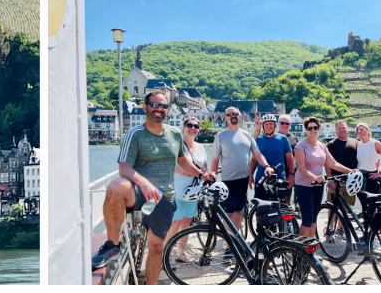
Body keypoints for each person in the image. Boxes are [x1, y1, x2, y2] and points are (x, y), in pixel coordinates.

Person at [91, 92, 215, 283]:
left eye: (163, 106)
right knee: (116, 186)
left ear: (167, 110)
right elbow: (124, 168)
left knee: (157, 247)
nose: (159, 109)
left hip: (164, 196)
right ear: (145, 107)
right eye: (155, 105)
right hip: (139, 192)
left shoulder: (174, 134)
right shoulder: (135, 134)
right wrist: (144, 183)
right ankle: (112, 246)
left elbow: (182, 161)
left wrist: (201, 174)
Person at [211, 107, 275, 239]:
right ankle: (228, 243)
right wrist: (212, 175)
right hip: (228, 180)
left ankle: (235, 238)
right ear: (226, 117)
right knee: (228, 213)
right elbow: (215, 159)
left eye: (236, 114)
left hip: (243, 179)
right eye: (230, 114)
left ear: (239, 116)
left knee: (239, 211)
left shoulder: (247, 135)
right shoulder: (220, 136)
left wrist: (267, 166)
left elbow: (257, 154)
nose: (233, 116)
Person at [294, 116, 355, 237]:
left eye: (315, 127)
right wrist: (315, 177)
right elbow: (301, 167)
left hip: (318, 185)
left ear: (318, 129)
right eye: (310, 128)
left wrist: (351, 171)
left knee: (314, 220)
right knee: (307, 220)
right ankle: (301, 251)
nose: (313, 130)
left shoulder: (322, 146)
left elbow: (333, 164)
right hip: (304, 185)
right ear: (306, 130)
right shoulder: (301, 146)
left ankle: (311, 250)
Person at [164, 116, 209, 262]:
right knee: (175, 223)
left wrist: (207, 174)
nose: (193, 128)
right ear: (184, 128)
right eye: (190, 125)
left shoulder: (201, 147)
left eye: (196, 127)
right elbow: (168, 166)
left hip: (193, 192)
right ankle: (166, 254)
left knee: (187, 222)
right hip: (177, 190)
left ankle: (180, 253)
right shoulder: (177, 144)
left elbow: (204, 167)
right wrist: (184, 171)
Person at [249, 114, 294, 201]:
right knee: (260, 209)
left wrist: (291, 175)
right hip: (261, 179)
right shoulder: (258, 140)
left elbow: (289, 159)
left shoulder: (283, 139)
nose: (268, 126)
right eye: (266, 124)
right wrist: (250, 175)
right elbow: (254, 159)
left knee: (281, 209)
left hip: (279, 179)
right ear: (263, 126)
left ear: (275, 125)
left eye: (271, 124)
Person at [326, 120, 359, 227]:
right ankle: (330, 230)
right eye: (339, 128)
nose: (342, 130)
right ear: (336, 131)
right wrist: (330, 178)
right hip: (336, 181)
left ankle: (341, 230)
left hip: (351, 181)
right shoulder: (331, 144)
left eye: (343, 127)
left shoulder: (355, 142)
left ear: (347, 128)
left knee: (346, 207)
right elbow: (327, 164)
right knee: (333, 207)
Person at [355, 123, 381, 194]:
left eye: (364, 130)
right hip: (359, 179)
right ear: (357, 134)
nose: (362, 132)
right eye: (359, 131)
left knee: (373, 204)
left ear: (368, 131)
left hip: (372, 178)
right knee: (363, 203)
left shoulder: (376, 143)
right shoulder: (357, 144)